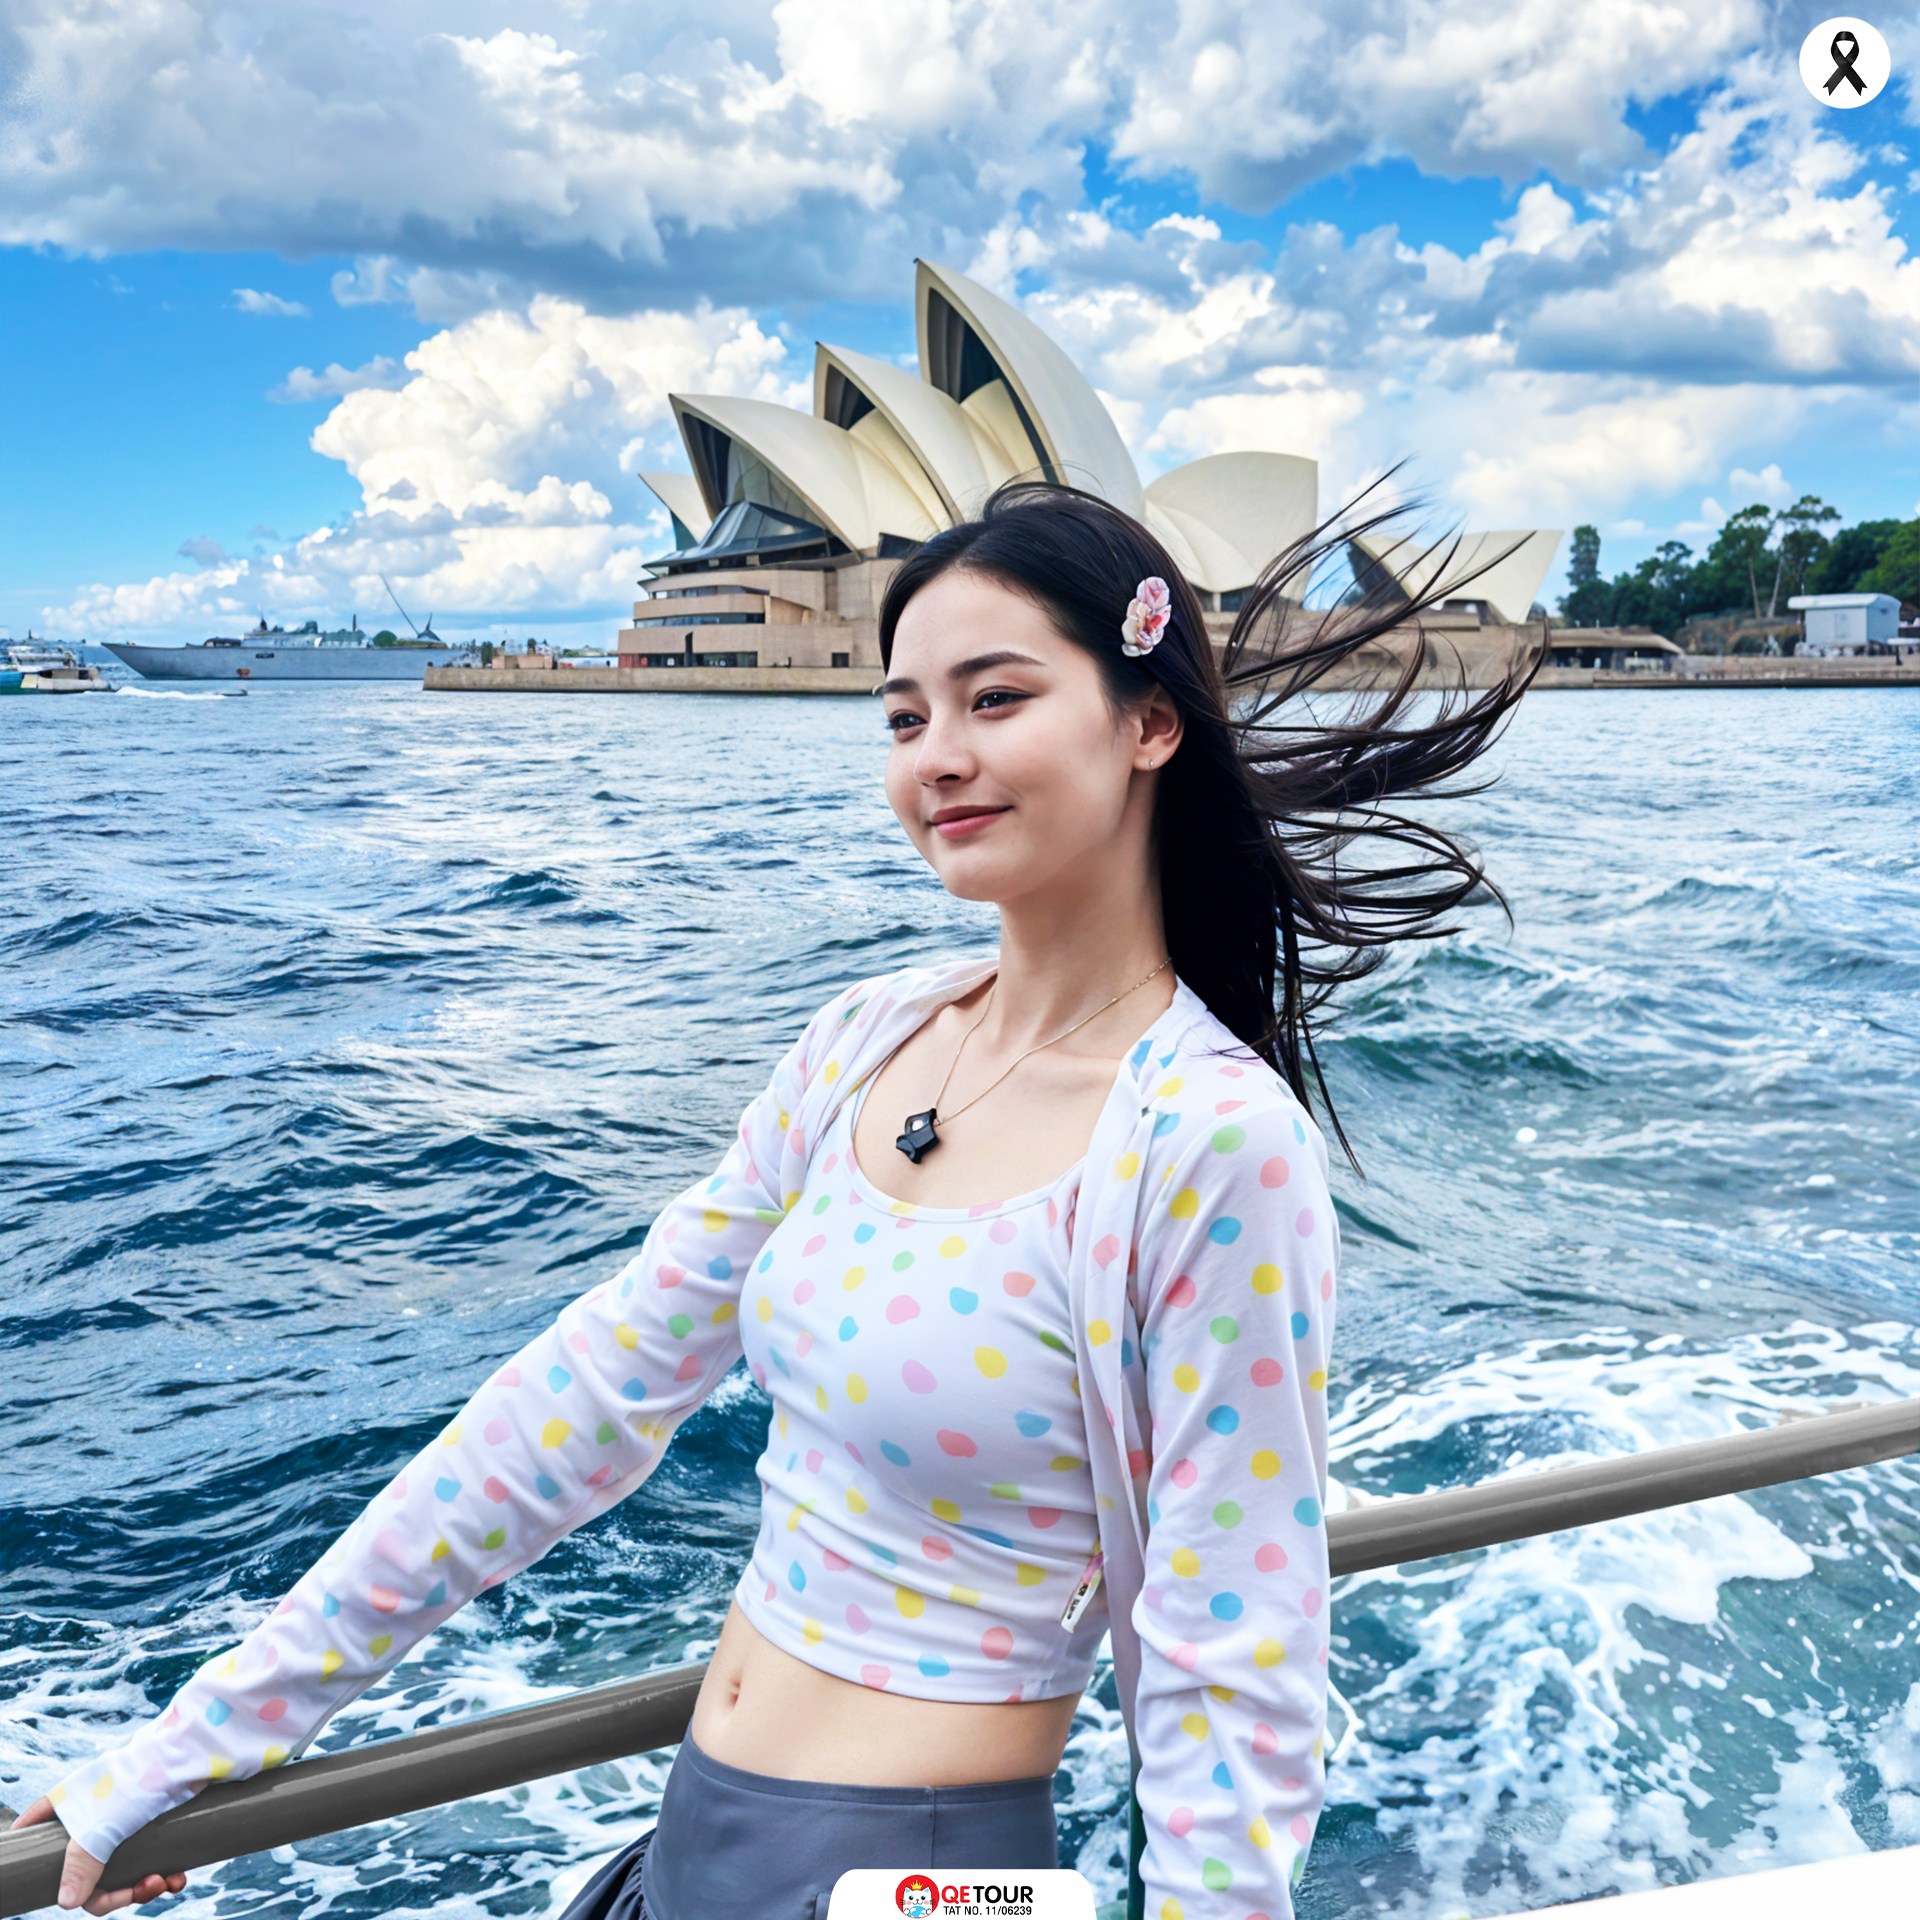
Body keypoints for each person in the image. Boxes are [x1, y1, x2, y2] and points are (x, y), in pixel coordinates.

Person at [15, 475, 1541, 1917]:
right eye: (902, 715)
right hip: (696, 1834)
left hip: (916, 1871)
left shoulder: (1209, 1141)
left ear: (1149, 723)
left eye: (995, 699)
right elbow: (583, 1398)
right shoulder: (866, 1040)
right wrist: (196, 1743)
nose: (935, 754)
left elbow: (1231, 1653)